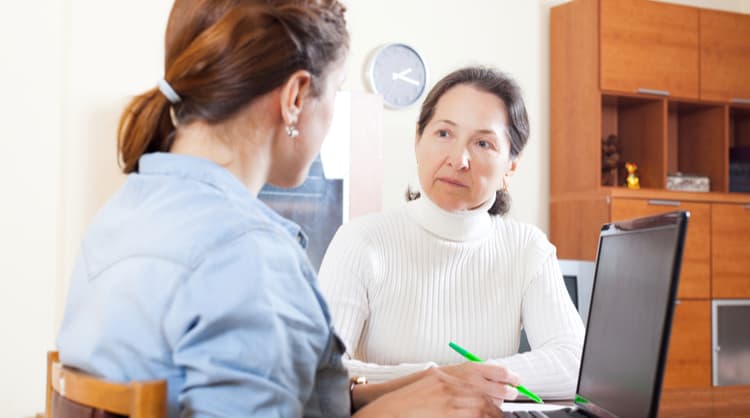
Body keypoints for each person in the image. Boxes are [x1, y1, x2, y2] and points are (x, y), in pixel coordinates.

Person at [56, 1, 511, 417]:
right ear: (295, 98)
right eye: (335, 91)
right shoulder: (246, 256)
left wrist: (402, 392)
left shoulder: (125, 212)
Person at [318, 66, 585, 401]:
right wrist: (448, 379)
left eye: (483, 143)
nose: (458, 159)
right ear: (418, 140)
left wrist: (464, 379)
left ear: (510, 168)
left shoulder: (527, 248)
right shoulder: (361, 240)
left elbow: (574, 364)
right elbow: (319, 373)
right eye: (444, 133)